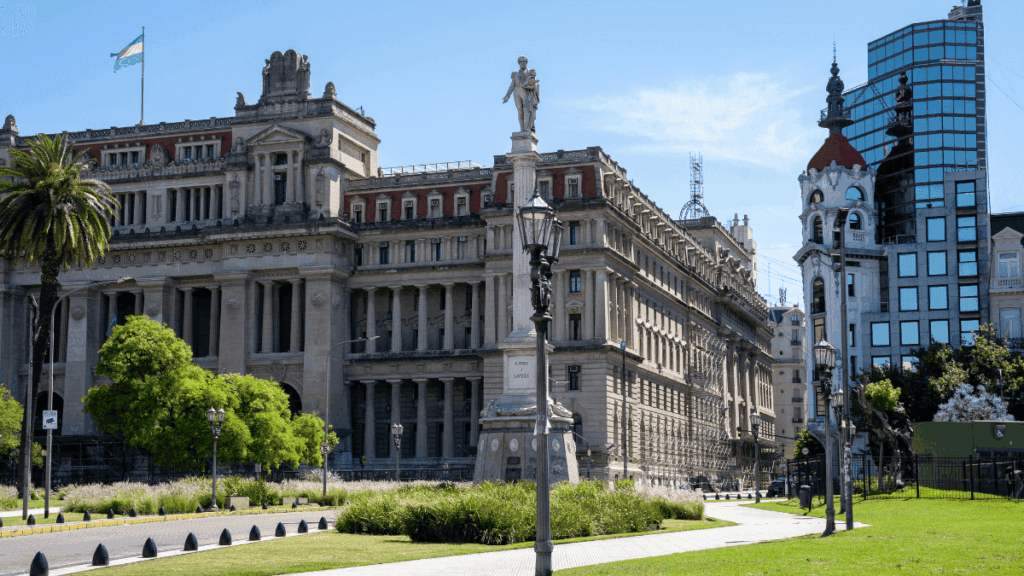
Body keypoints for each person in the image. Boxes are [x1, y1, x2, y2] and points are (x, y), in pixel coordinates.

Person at [502, 56, 539, 132]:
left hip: (525, 91)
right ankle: (522, 129)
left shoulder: (530, 72)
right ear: (519, 63)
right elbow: (512, 85)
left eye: (524, 62)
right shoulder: (515, 73)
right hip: (516, 91)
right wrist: (507, 96)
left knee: (526, 110)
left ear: (526, 62)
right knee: (520, 111)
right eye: (521, 62)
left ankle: (526, 128)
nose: (522, 63)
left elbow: (534, 83)